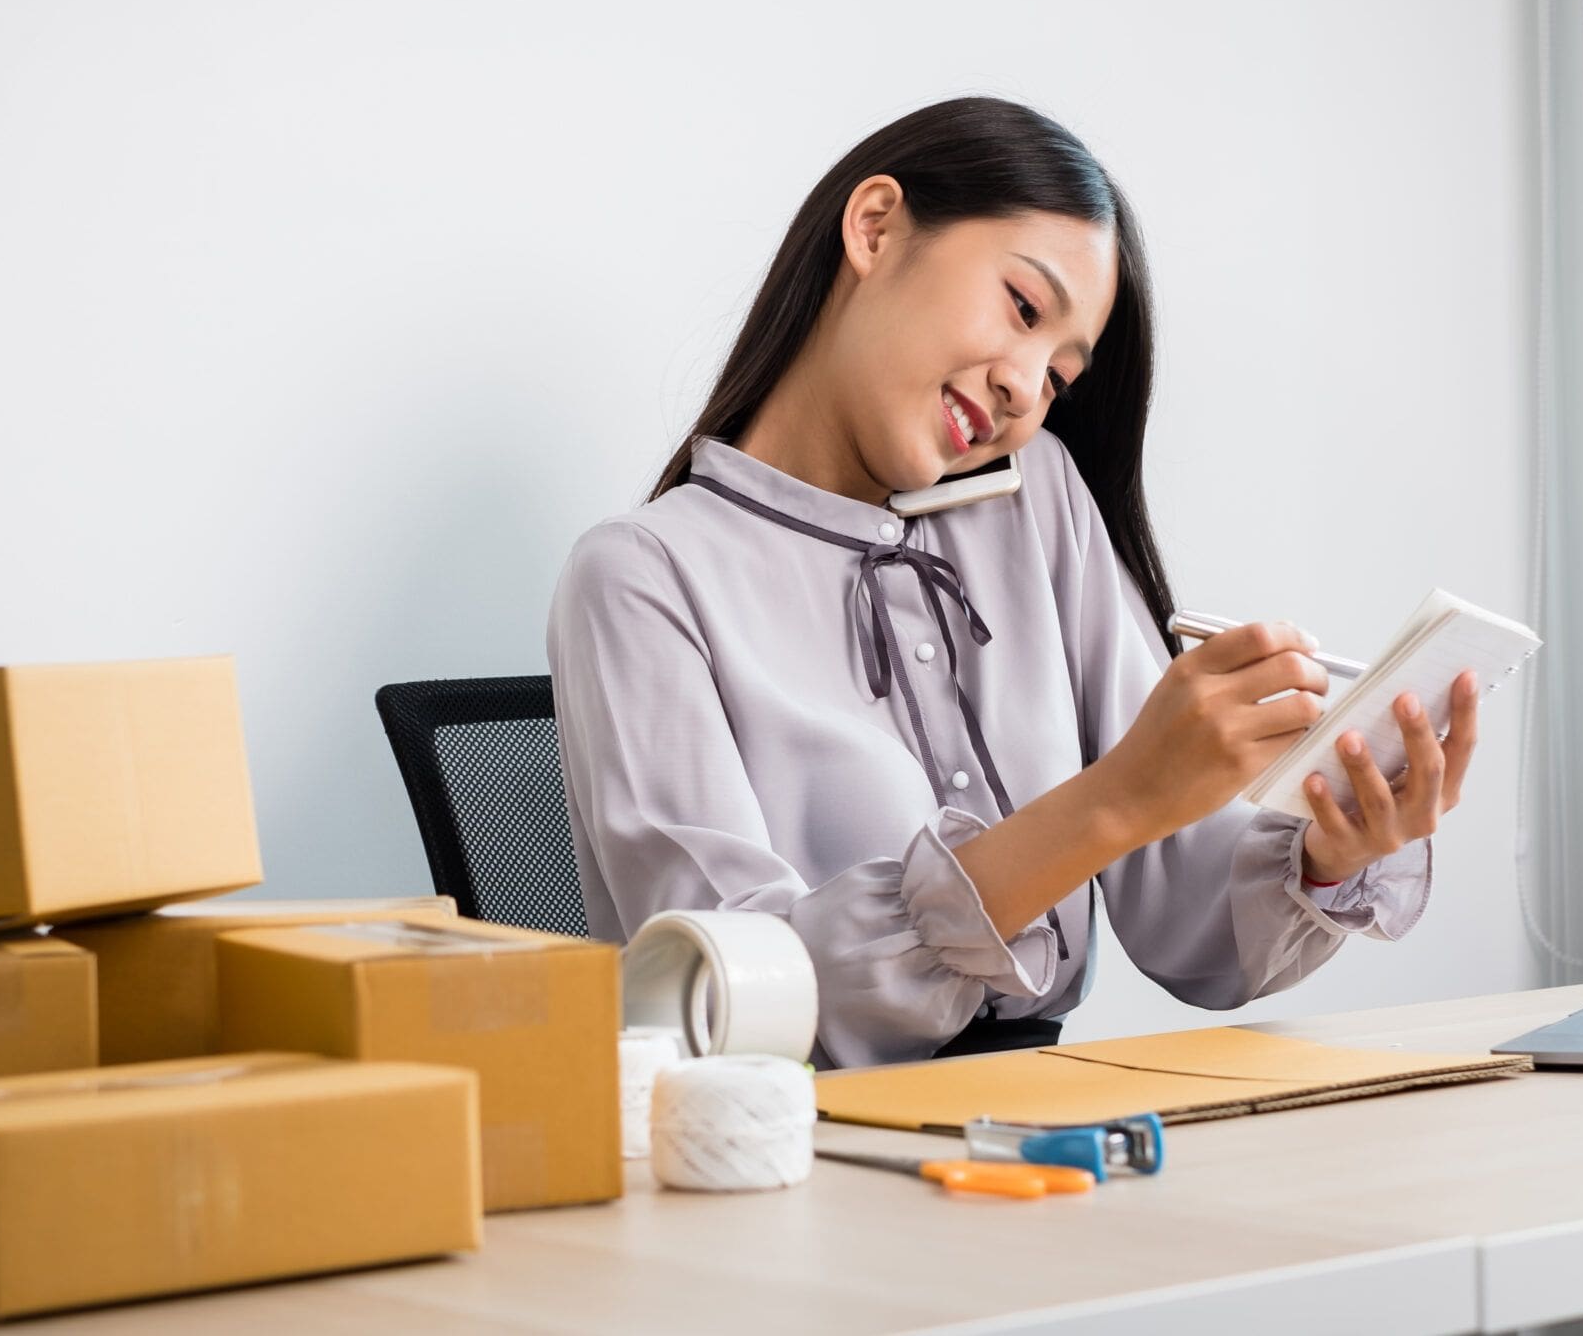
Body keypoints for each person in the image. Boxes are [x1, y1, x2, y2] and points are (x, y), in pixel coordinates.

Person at [547, 97, 1480, 1069]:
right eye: (1024, 310)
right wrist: (1116, 798)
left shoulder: (1039, 504)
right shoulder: (641, 577)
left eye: (1060, 377)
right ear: (874, 229)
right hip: (800, 1157)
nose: (1026, 393)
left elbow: (1190, 923)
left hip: (1044, 1123)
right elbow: (737, 999)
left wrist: (1331, 848)